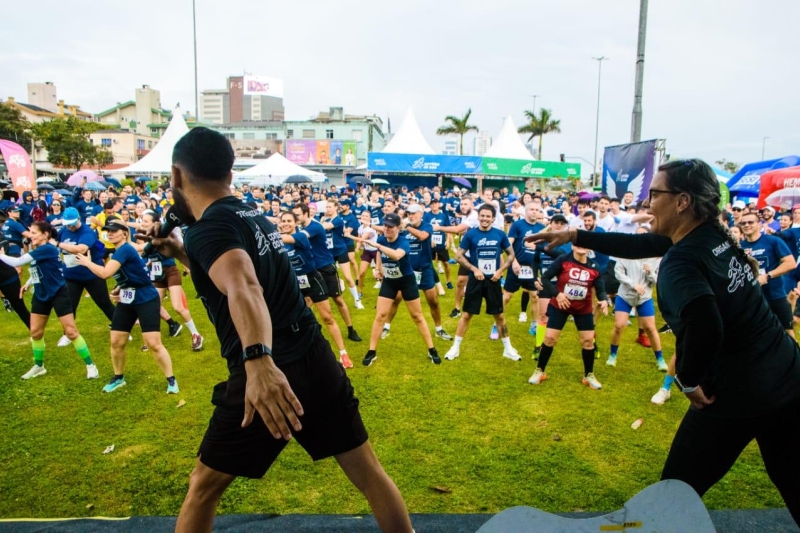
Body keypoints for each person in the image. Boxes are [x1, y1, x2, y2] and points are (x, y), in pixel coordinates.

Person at [143, 127, 412, 533]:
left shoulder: (210, 228)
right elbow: (237, 271)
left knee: (202, 487)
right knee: (369, 473)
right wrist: (182, 252)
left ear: (176, 176)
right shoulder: (250, 215)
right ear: (230, 173)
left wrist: (259, 363)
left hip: (270, 369)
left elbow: (245, 285)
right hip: (314, 357)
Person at [528, 159, 800, 524]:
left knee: (674, 492)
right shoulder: (711, 233)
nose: (648, 202)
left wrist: (687, 381)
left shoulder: (681, 263)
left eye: (655, 194)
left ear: (682, 201)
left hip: (736, 392)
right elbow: (642, 244)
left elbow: (706, 324)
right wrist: (575, 236)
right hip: (787, 374)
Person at [75, 218, 178, 394]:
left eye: (115, 230)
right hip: (127, 299)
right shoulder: (118, 252)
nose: (110, 233)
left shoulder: (124, 250)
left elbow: (105, 273)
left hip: (146, 298)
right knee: (116, 341)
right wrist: (119, 289)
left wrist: (86, 262)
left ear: (125, 233)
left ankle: (171, 380)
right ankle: (118, 377)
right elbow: (127, 274)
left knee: (154, 343)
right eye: (108, 230)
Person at [0, 221, 97, 380]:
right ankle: (39, 366)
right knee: (36, 332)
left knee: (71, 332)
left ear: (45, 235)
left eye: (33, 233)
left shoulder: (47, 248)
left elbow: (17, 262)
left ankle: (90, 365)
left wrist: (1, 254)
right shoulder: (39, 250)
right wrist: (29, 283)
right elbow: (39, 269)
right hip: (41, 293)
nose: (30, 236)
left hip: (58, 293)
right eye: (30, 232)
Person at [352, 212, 440, 366]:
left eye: (390, 226)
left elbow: (397, 256)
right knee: (380, 315)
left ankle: (431, 349)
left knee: (417, 316)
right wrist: (378, 268)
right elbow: (380, 254)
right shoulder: (381, 239)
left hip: (407, 282)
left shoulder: (403, 242)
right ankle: (371, 351)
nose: (387, 229)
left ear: (398, 227)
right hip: (389, 282)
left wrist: (379, 246)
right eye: (385, 225)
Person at [444, 204, 520, 361]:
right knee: (466, 314)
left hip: (493, 280)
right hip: (475, 280)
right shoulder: (471, 234)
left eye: (488, 216)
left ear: (493, 218)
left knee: (499, 315)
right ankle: (455, 348)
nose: (485, 219)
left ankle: (508, 348)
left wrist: (500, 271)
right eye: (482, 216)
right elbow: (458, 256)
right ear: (478, 217)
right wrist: (474, 269)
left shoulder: (500, 234)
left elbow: (511, 255)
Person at [279, 211, 353, 369]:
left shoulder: (300, 237)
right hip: (296, 284)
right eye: (283, 221)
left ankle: (343, 353)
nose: (285, 223)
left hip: (313, 280)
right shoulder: (281, 243)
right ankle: (303, 353)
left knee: (327, 317)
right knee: (298, 320)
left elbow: (283, 238)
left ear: (296, 223)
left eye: (289, 221)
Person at [527, 243, 608, 389]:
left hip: (583, 309)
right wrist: (557, 294)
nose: (581, 246)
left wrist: (603, 300)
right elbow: (545, 278)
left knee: (588, 341)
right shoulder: (563, 260)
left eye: (584, 243)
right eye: (578, 243)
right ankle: (540, 371)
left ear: (589, 247)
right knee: (550, 338)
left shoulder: (594, 267)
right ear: (572, 246)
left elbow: (600, 288)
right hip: (561, 306)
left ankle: (588, 375)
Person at [292, 203, 362, 342]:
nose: (295, 217)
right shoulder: (299, 227)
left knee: (338, 299)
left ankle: (350, 329)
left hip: (325, 267)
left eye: (297, 215)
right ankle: (307, 330)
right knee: (307, 300)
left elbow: (300, 237)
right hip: (311, 270)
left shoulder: (315, 226)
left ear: (306, 214)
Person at [139, 210, 205, 350]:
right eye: (142, 220)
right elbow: (150, 256)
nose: (143, 223)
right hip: (156, 275)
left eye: (146, 221)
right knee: (153, 307)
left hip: (170, 272)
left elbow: (141, 248)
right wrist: (148, 263)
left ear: (155, 223)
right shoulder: (146, 236)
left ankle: (196, 334)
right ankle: (152, 339)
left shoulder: (160, 235)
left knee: (178, 307)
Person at [54, 207, 118, 347]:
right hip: (71, 276)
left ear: (79, 219)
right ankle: (68, 334)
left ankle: (120, 329)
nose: (70, 226)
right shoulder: (64, 231)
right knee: (70, 305)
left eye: (72, 223)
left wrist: (58, 244)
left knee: (104, 303)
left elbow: (82, 249)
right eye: (67, 223)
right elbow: (54, 242)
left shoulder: (87, 232)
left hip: (92, 274)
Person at [606, 226, 665, 370]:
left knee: (650, 328)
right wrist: (633, 285)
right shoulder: (626, 254)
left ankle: (660, 359)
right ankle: (613, 355)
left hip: (644, 298)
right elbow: (618, 273)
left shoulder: (655, 258)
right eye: (638, 236)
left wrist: (650, 273)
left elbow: (658, 281)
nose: (641, 239)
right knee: (619, 326)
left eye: (644, 236)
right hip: (625, 296)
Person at [739, 211, 797, 338]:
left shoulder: (773, 241)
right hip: (753, 298)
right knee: (756, 335)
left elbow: (790, 263)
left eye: (750, 222)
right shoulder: (739, 247)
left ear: (759, 225)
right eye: (743, 223)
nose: (746, 225)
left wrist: (768, 275)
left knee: (787, 332)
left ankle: (795, 357)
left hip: (775, 295)